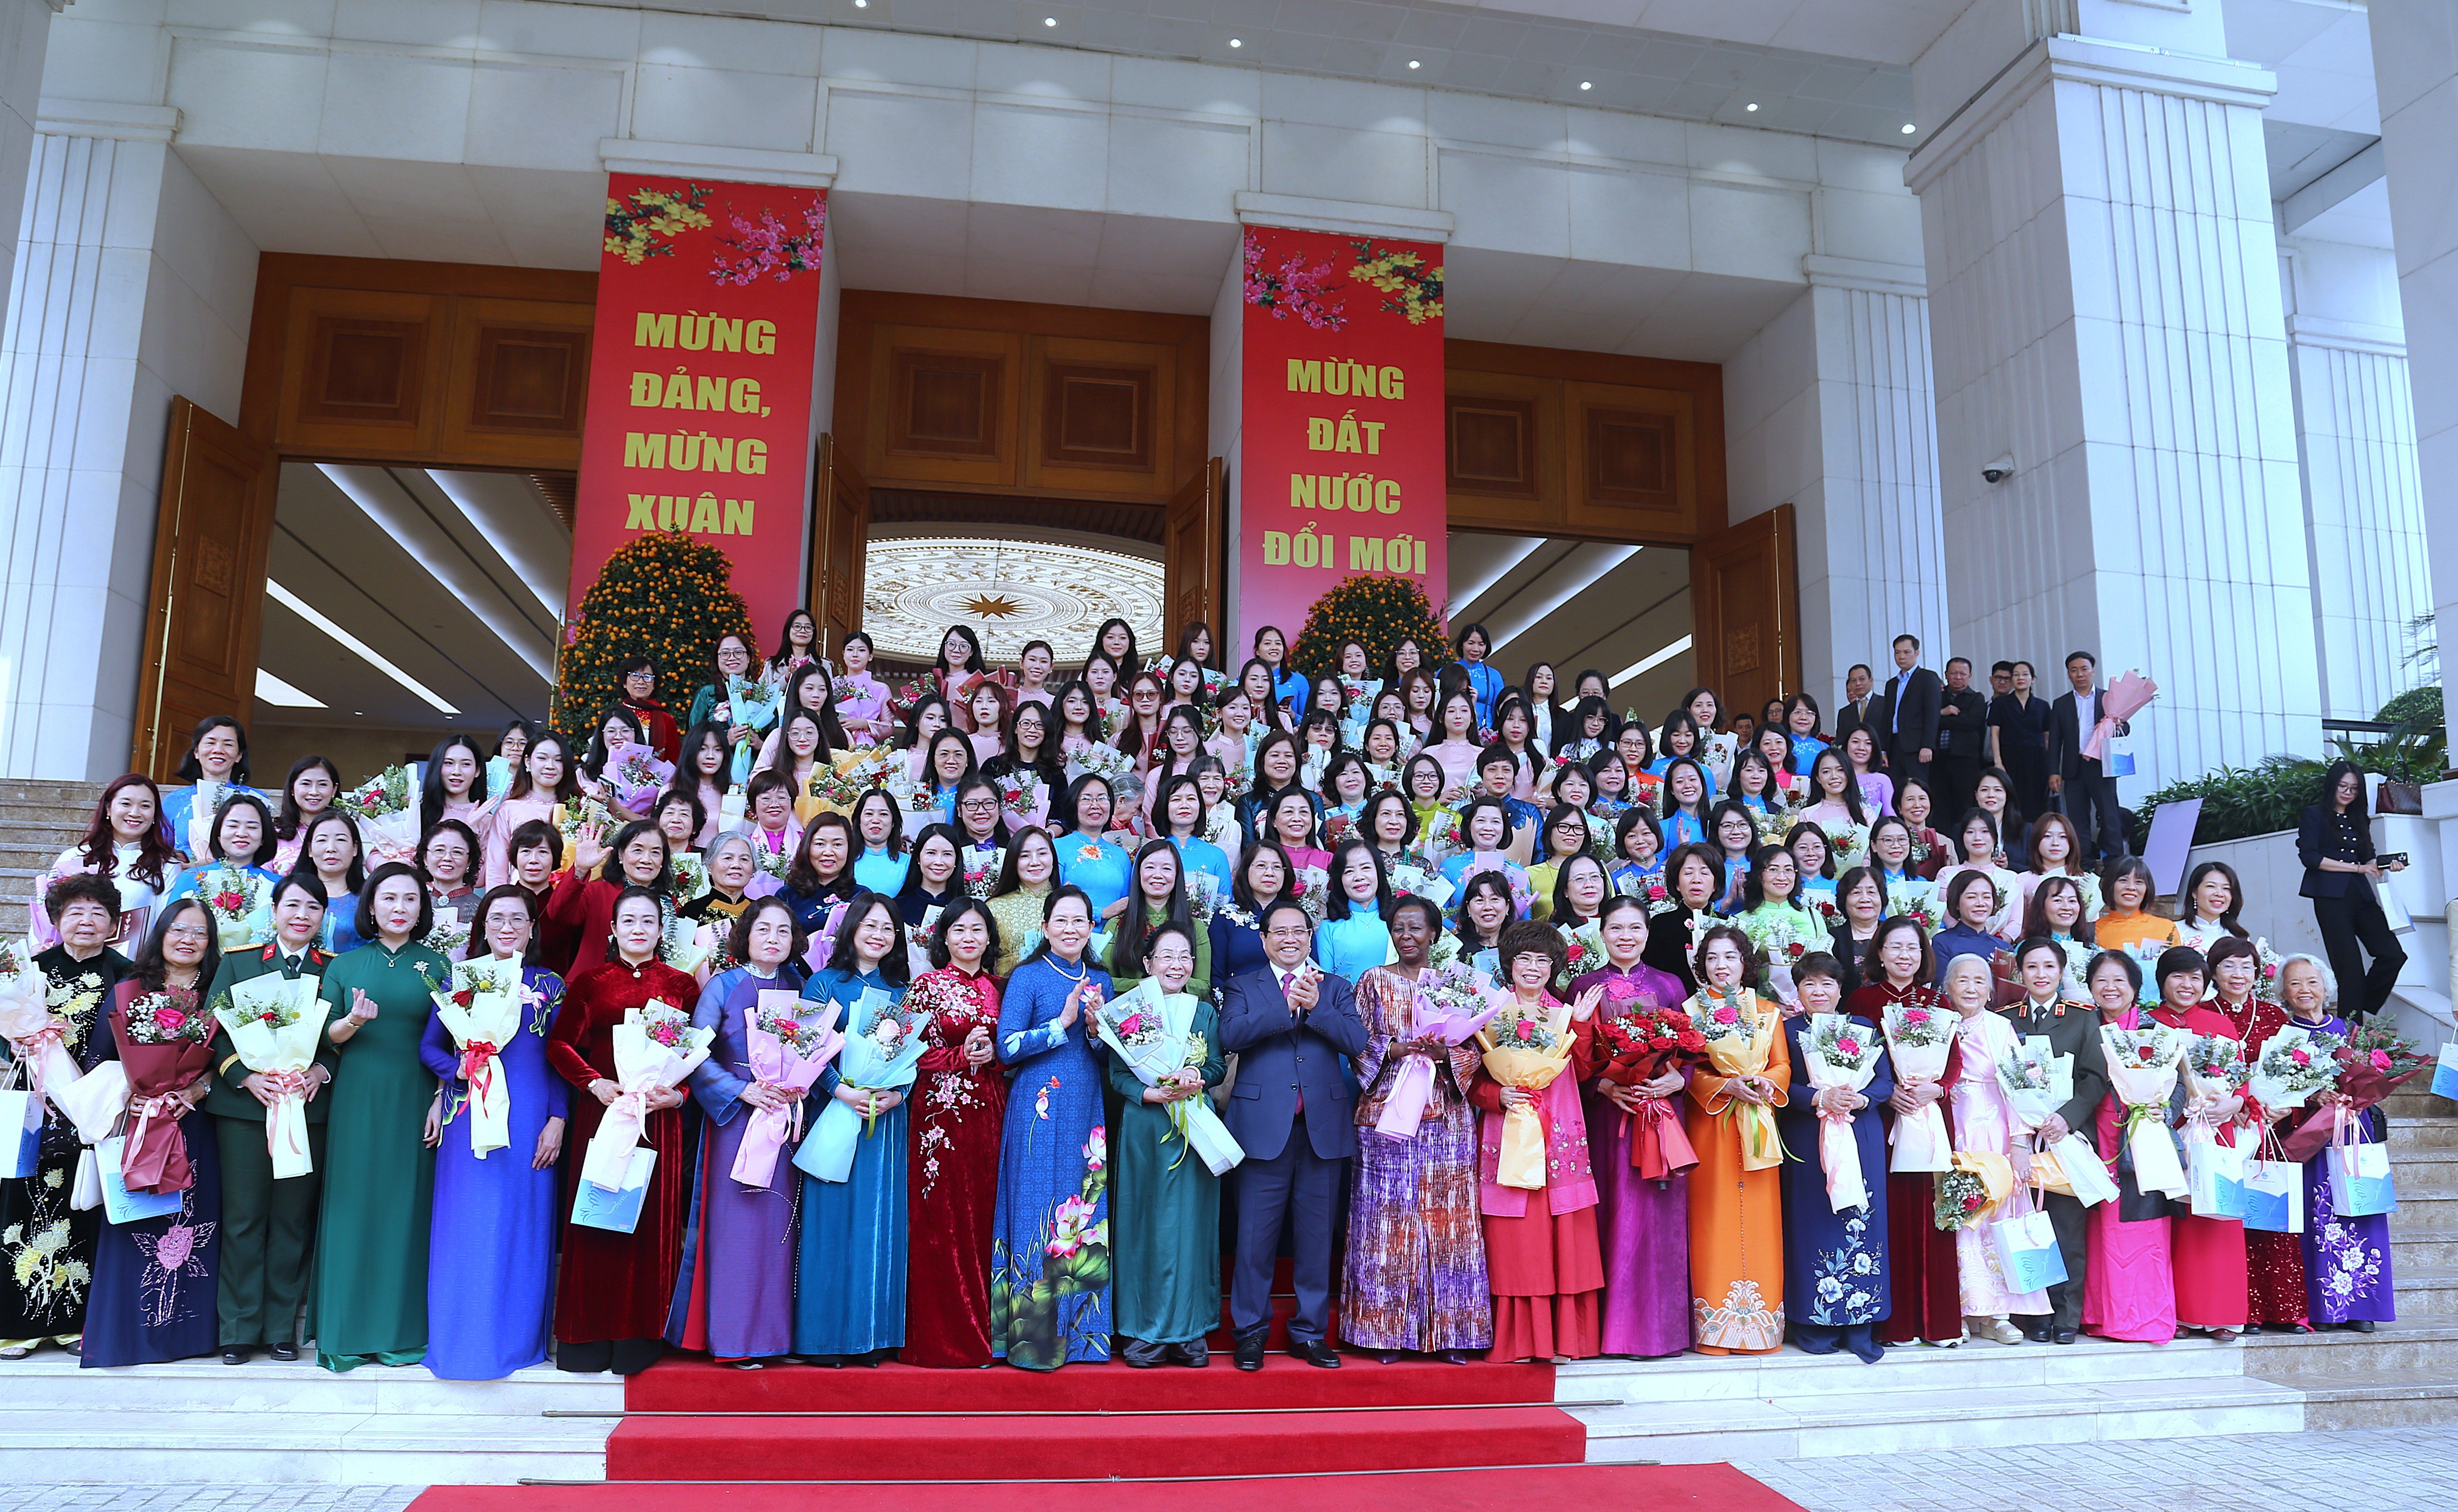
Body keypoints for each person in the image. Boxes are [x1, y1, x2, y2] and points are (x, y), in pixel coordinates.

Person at [547, 886, 699, 1375]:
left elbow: (699, 1056)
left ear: (661, 930)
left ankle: (640, 1337)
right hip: (606, 1114)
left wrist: (679, 1095)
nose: (638, 929)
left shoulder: (681, 985)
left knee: (649, 1224)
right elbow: (560, 1045)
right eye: (628, 920)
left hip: (658, 1119)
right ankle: (587, 1339)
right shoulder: (591, 981)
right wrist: (593, 1083)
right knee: (598, 1220)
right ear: (612, 929)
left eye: (648, 921)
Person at [418, 885, 567, 1380]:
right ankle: (460, 1341)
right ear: (483, 926)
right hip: (467, 1115)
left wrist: (558, 1119)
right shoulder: (460, 978)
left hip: (529, 1118)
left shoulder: (549, 985)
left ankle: (516, 1342)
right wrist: (457, 1070)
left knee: (520, 1224)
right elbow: (430, 1048)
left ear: (532, 928)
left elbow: (562, 1058)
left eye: (518, 918)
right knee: (468, 1224)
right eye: (497, 918)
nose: (507, 927)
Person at [1219, 898, 1369, 1370]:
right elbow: (1231, 1036)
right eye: (1279, 932)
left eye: (1299, 931)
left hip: (1322, 1129)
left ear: (1310, 938)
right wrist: (1285, 1007)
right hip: (1261, 1129)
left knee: (1316, 1239)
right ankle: (1250, 1332)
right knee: (1254, 1240)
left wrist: (1317, 1007)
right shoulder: (1242, 986)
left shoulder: (1336, 987)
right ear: (1264, 939)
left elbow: (1358, 1042)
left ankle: (1309, 1332)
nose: (1290, 939)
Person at [1342, 896, 1492, 1362]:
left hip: (1446, 1117)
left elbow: (1480, 1051)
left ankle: (1451, 1334)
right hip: (1386, 1117)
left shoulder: (1457, 983)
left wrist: (1448, 1055)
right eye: (1399, 929)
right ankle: (1384, 1332)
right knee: (1386, 1222)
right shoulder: (1373, 981)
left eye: (1416, 928)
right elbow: (1354, 1043)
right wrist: (1397, 1048)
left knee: (1449, 1222)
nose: (1407, 936)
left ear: (1435, 934)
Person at [311, 863, 447, 1370]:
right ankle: (345, 1333)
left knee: (405, 1212)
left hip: (416, 1097)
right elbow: (324, 1036)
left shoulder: (439, 966)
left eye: (410, 899)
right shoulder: (344, 966)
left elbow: (455, 1039)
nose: (399, 908)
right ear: (370, 905)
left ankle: (399, 1332)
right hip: (356, 1098)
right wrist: (351, 1021)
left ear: (422, 908)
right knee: (352, 1208)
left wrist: (442, 1096)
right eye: (389, 898)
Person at [82, 898, 224, 1367]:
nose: (188, 940)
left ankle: (188, 1335)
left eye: (200, 933)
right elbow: (100, 1059)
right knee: (137, 1223)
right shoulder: (131, 989)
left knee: (193, 1224)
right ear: (161, 933)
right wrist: (133, 1095)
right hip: (141, 1126)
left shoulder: (220, 994)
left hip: (197, 1125)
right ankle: (130, 1334)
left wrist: (198, 1089)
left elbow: (232, 1059)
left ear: (211, 943)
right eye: (179, 929)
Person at [669, 897, 810, 1367]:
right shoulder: (723, 986)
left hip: (782, 1120)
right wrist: (741, 1090)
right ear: (745, 935)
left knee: (780, 1229)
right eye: (764, 929)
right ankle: (733, 1338)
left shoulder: (800, 985)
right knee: (737, 1230)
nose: (774, 938)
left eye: (784, 931)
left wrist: (796, 1086)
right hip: (735, 1120)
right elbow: (696, 1053)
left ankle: (775, 1338)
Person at [200, 872, 334, 1364]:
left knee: (292, 1220)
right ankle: (238, 1329)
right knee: (244, 1218)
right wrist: (244, 1076)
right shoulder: (239, 963)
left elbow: (341, 1038)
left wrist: (321, 1070)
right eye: (292, 905)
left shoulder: (333, 969)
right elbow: (212, 1031)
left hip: (306, 1109)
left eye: (313, 907)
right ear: (274, 910)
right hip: (245, 1111)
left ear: (324, 917)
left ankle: (281, 1328)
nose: (302, 915)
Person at [2, 876, 131, 1356]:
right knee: (25, 1201)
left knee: (84, 1205)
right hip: (37, 1103)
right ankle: (19, 1324)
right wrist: (15, 1041)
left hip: (95, 1106)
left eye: (98, 913)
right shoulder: (29, 971)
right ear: (56, 920)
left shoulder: (127, 975)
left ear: (114, 924)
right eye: (76, 912)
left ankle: (76, 1323)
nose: (87, 921)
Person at [990, 887, 1114, 1369]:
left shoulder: (1101, 979)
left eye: (1080, 920)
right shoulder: (1028, 976)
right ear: (1044, 927)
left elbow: (1106, 1055)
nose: (1070, 929)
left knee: (1083, 1208)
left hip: (1085, 1106)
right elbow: (1006, 1047)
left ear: (1091, 928)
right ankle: (1032, 1340)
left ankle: (1081, 1337)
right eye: (1060, 920)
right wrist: (1062, 1023)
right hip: (1037, 1109)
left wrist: (1097, 1032)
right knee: (1039, 1210)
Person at [796, 892, 915, 1364]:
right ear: (851, 930)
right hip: (835, 1112)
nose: (879, 935)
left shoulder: (902, 990)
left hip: (882, 1121)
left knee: (876, 1222)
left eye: (888, 928)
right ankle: (824, 1339)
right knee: (830, 1222)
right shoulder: (823, 983)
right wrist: (838, 1089)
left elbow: (911, 1058)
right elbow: (804, 1047)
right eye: (871, 925)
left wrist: (899, 1094)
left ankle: (872, 1335)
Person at [1575, 894, 1695, 1359]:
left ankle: (1661, 1333)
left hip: (1660, 1114)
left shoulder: (1669, 985)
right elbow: (1570, 1055)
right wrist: (1604, 1086)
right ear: (1601, 933)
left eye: (1635, 928)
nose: (1626, 937)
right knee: (1613, 1214)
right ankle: (1614, 1333)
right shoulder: (1584, 987)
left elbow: (1691, 1047)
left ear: (1647, 933)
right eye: (1616, 928)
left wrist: (1677, 1080)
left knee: (1660, 1218)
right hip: (1610, 1118)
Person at [1104, 921, 1227, 1368]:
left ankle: (1189, 1330)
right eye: (1167, 956)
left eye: (1185, 956)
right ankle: (1143, 1330)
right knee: (1143, 1225)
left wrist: (1196, 1075)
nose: (1177, 964)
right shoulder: (1129, 1010)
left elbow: (1216, 1065)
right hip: (1145, 1127)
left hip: (1194, 1125)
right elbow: (1118, 1076)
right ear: (1147, 963)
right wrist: (1150, 1093)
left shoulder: (1204, 1011)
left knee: (1191, 1228)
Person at [1846, 917, 1961, 1348]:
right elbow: (1852, 1057)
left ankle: (1939, 1322)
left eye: (1912, 947)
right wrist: (1887, 1092)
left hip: (1930, 1113)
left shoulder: (1937, 1002)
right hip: (1885, 1117)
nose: (1904, 955)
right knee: (1890, 1214)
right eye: (1894, 947)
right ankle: (1896, 1324)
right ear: (1879, 953)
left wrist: (1939, 1087)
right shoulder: (1862, 1000)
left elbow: (1954, 1059)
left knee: (1935, 1213)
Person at [901, 898, 1007, 1368]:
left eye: (977, 929)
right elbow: (905, 1052)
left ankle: (991, 1332)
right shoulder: (925, 987)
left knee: (985, 1216)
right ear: (943, 937)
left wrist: (995, 1058)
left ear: (989, 938)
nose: (968, 937)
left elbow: (1016, 1048)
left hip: (993, 1114)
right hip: (939, 1118)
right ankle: (941, 1339)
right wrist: (961, 1057)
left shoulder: (1002, 987)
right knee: (941, 1219)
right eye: (959, 929)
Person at [1776, 951, 1893, 1363]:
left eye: (1827, 983)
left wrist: (1860, 1098)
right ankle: (1813, 1324)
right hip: (1809, 1136)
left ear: (1841, 989)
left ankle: (1860, 1324)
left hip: (1860, 1134)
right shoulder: (1785, 1031)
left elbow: (1885, 1082)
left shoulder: (1862, 1028)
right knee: (1811, 1223)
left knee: (1863, 1222)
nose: (1818, 991)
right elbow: (1780, 1083)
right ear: (1798, 990)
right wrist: (1818, 1098)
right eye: (1809, 983)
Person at [1683, 925, 1789, 1355]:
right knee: (1712, 1213)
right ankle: (1714, 1329)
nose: (1721, 966)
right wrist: (1723, 1085)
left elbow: (1782, 1065)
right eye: (1712, 958)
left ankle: (1760, 1329)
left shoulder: (1767, 1011)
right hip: (1711, 1124)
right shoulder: (1690, 1011)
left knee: (1761, 1217)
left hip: (1758, 1119)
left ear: (1745, 963)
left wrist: (1764, 1081)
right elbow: (1687, 1070)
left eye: (1729, 957)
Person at [1998, 937, 2106, 1344]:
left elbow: (2094, 1078)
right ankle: (2032, 1314)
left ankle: (2065, 1316)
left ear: (2062, 972)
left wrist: (2067, 1119)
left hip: (2065, 1138)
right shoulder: (2005, 1019)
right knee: (2022, 1224)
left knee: (2065, 1228)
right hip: (2019, 1140)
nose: (2040, 975)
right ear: (2020, 972)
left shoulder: (2082, 1018)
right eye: (2032, 967)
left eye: (2049, 967)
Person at [2277, 954, 2393, 1332]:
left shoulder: (2349, 1031)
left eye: (2312, 982)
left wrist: (2357, 1094)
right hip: (2311, 1135)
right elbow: (2275, 1086)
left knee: (2360, 1210)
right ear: (2284, 992)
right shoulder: (2283, 1035)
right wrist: (2311, 1095)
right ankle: (2324, 1309)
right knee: (2319, 1213)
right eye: (2295, 983)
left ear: (2326, 987)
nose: (2305, 990)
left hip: (2355, 1132)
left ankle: (2363, 1307)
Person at [1938, 953, 2047, 1343]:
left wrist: (2020, 1144)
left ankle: (1998, 1313)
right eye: (1962, 980)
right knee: (1956, 1213)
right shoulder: (1937, 1024)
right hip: (1949, 1128)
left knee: (1998, 1211)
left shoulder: (2001, 1028)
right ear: (1948, 987)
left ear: (1990, 991)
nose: (1971, 988)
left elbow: (2019, 1087)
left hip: (1993, 1130)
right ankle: (1959, 1310)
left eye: (1979, 981)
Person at [2147, 947, 2250, 1342]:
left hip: (2216, 1129)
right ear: (2162, 981)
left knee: (2217, 1220)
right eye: (2178, 976)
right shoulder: (2149, 1024)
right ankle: (2180, 1314)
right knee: (2176, 1223)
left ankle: (2223, 1314)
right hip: (2168, 1130)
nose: (2187, 985)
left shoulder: (2219, 1024)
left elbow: (2240, 1078)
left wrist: (2235, 1102)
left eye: (2195, 978)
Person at [2080, 948, 2175, 1343]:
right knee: (2098, 1229)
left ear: (2136, 986)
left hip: (2141, 1140)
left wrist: (2164, 1109)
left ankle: (2143, 1319)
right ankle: (2099, 1316)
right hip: (2092, 1138)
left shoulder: (2155, 1031)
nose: (2111, 988)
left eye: (2119, 980)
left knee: (2143, 1230)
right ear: (2090, 987)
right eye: (2101, 980)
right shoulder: (2084, 1026)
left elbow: (2180, 1083)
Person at [2297, 760, 2408, 1021]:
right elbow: (2311, 858)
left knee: (2393, 955)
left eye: (2354, 788)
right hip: (2330, 898)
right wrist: (2357, 869)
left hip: (2361, 895)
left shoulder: (2359, 818)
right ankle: (2351, 1035)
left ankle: (2360, 1005)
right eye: (2343, 786)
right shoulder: (2314, 815)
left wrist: (2386, 865)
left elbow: (2368, 857)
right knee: (2350, 972)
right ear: (2332, 786)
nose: (2348, 793)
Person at [32, 774, 176, 950]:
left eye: (145, 806)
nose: (135, 813)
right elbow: (45, 913)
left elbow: (166, 923)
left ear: (155, 813)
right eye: (126, 804)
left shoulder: (167, 865)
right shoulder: (75, 857)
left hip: (133, 962)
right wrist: (39, 947)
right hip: (71, 957)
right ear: (108, 808)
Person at [2047, 651, 2128, 864]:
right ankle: (2083, 863)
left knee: (2109, 814)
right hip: (2074, 768)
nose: (2080, 674)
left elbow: (2125, 728)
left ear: (2093, 671)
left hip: (2102, 765)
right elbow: (2055, 741)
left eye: (2084, 669)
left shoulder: (2107, 698)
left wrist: (2119, 724)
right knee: (2077, 818)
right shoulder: (2061, 704)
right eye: (2074, 670)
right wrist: (2054, 771)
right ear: (2069, 674)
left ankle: (2115, 862)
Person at [159, 715, 263, 860]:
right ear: (196, 752)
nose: (218, 750)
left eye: (228, 745)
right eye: (210, 743)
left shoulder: (255, 800)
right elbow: (161, 850)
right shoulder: (174, 801)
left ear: (239, 755)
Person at [1315, 840, 1393, 984]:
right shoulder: (1329, 928)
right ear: (1340, 879)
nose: (1359, 877)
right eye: (1349, 871)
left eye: (1366, 868)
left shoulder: (1398, 921)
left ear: (1379, 872)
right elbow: (1326, 985)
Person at [985, 827, 1058, 977]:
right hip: (1007, 987)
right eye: (1025, 856)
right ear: (1013, 861)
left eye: (1042, 854)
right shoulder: (995, 907)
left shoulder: (1069, 905)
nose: (1035, 862)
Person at [1989, 660, 2054, 822]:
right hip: (2010, 757)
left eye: (2025, 674)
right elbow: (1995, 734)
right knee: (2013, 799)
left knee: (2037, 800)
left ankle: (2034, 833)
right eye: (2016, 675)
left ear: (2033, 679)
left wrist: (2051, 765)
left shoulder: (2043, 706)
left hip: (2037, 758)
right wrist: (1998, 762)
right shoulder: (2000, 704)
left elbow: (2047, 737)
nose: (2020, 678)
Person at [1875, 635, 1941, 790]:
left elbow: (1932, 714)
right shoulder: (1892, 684)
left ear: (1917, 653)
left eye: (1907, 652)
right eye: (1897, 653)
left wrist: (1927, 746)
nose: (1901, 657)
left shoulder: (1928, 678)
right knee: (1895, 790)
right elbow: (1887, 718)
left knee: (1918, 788)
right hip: (1894, 745)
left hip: (1917, 747)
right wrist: (1883, 750)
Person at [1930, 658, 1988, 820]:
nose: (1958, 677)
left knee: (1965, 804)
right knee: (1940, 805)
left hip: (1965, 760)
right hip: (1937, 759)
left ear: (1970, 676)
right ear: (1946, 675)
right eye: (1954, 673)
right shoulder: (1936, 697)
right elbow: (1925, 721)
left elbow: (1971, 722)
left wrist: (1938, 719)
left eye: (1963, 674)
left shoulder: (1976, 697)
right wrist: (1942, 713)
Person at [615, 654, 684, 763]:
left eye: (647, 677)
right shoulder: (614, 715)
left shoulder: (666, 719)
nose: (641, 682)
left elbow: (675, 759)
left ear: (654, 684)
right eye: (635, 676)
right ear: (624, 682)